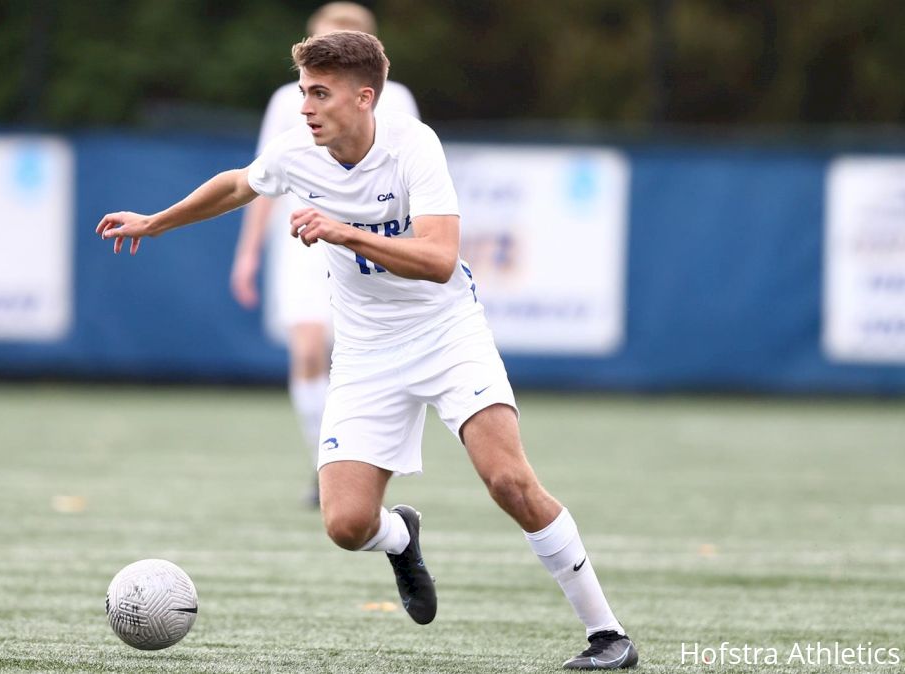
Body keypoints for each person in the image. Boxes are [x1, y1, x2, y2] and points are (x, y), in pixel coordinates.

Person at [96, 30, 639, 670]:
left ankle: (608, 635)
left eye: (320, 94)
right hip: (365, 352)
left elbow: (439, 260)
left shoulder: (415, 146)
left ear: (365, 97)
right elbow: (238, 185)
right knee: (347, 525)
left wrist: (343, 230)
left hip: (446, 335)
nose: (306, 108)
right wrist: (155, 221)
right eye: (303, 92)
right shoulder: (298, 151)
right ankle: (400, 536)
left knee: (510, 481)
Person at [230, 2, 419, 507]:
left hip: (369, 244)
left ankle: (362, 462)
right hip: (306, 241)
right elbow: (255, 181)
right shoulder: (286, 103)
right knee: (308, 349)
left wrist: (406, 249)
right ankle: (325, 463)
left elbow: (412, 180)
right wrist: (247, 254)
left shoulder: (396, 99)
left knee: (360, 359)